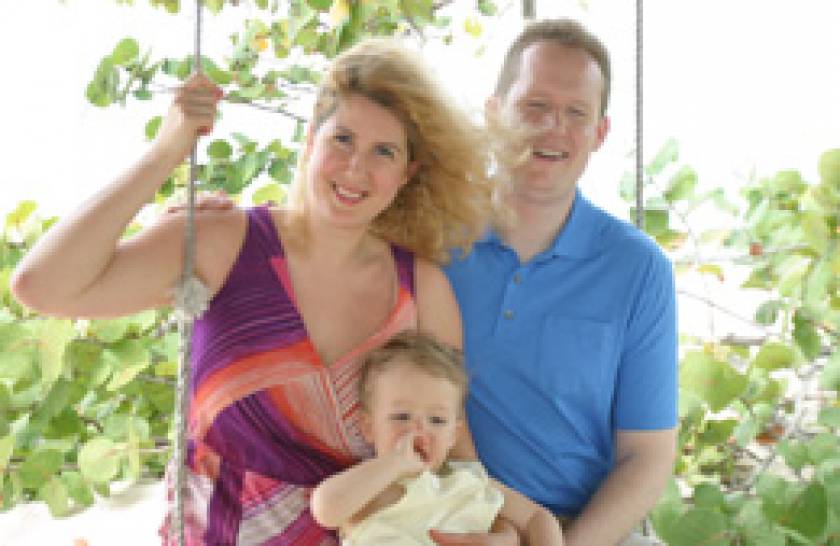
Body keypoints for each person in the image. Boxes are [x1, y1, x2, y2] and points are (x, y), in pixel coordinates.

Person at [9, 38, 511, 546]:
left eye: (384, 151)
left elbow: (455, 454)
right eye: (342, 139)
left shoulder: (421, 289)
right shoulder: (225, 240)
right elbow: (43, 285)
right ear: (311, 139)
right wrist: (166, 152)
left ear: (408, 174)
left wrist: (503, 535)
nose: (357, 167)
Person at [441, 19, 678, 546]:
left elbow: (647, 453)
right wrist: (216, 219)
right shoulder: (429, 236)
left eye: (576, 113)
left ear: (599, 133)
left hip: (582, 530)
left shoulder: (639, 269)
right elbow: (323, 224)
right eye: (535, 106)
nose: (554, 128)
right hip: (444, 519)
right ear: (494, 111)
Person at [310, 331, 563, 546]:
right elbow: (325, 509)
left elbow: (538, 518)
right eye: (401, 416)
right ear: (368, 426)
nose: (418, 430)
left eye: (437, 420)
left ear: (454, 433)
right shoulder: (369, 487)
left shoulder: (469, 481)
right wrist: (395, 463)